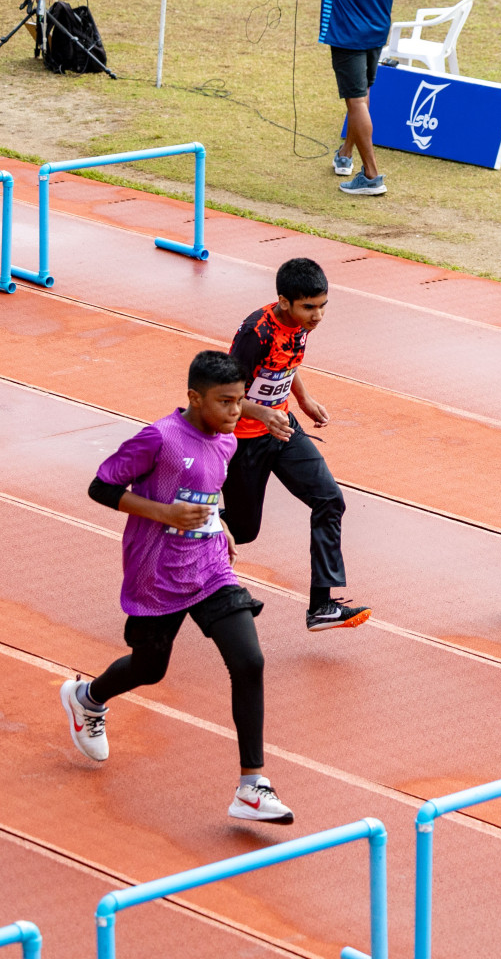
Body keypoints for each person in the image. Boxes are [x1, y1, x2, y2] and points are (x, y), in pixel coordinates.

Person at [61, 351, 293, 824]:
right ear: (194, 397)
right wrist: (163, 513)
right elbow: (100, 487)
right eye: (226, 402)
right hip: (156, 573)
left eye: (240, 402)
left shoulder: (225, 441)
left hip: (208, 567)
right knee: (150, 669)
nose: (235, 413)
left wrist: (218, 523)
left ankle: (252, 786)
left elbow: (208, 487)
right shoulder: (159, 438)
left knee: (249, 660)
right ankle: (87, 698)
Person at [223, 258, 371, 631]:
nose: (318, 315)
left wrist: (302, 399)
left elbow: (286, 364)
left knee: (329, 500)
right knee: (243, 531)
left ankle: (322, 606)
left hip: (283, 430)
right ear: (284, 301)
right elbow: (223, 395)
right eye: (309, 307)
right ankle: (188, 525)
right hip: (243, 442)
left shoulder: (300, 325)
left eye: (323, 305)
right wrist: (261, 414)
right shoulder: (255, 333)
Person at [288, 0, 423, 196]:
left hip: (346, 35)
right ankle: (345, 154)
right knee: (362, 96)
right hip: (377, 31)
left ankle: (371, 176)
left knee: (357, 101)